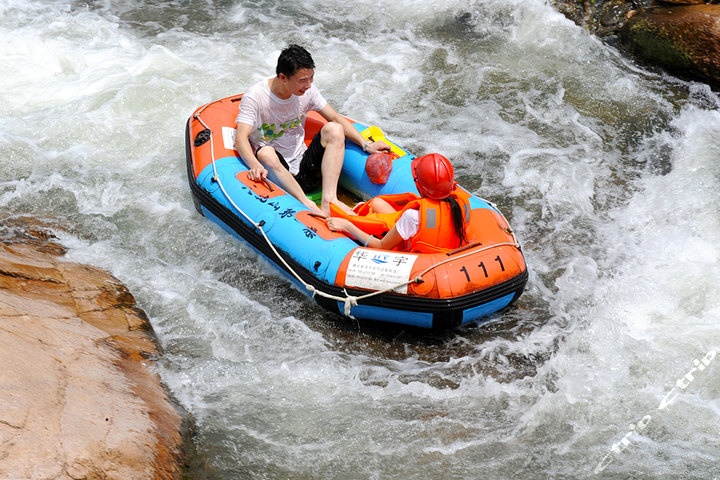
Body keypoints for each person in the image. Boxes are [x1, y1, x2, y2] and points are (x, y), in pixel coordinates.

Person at [235, 44, 391, 216]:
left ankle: (329, 200)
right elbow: (241, 138)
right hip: (276, 170)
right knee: (265, 153)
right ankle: (306, 203)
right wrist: (254, 164)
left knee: (335, 129)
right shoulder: (255, 97)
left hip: (304, 166)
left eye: (311, 78)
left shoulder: (307, 91)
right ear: (283, 77)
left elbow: (335, 117)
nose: (308, 85)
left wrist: (366, 145)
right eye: (303, 80)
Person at [326, 153, 471, 253]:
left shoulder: (413, 216)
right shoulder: (461, 204)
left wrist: (347, 226)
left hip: (410, 253)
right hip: (433, 244)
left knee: (351, 217)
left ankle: (347, 210)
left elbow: (381, 246)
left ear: (420, 187)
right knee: (377, 203)